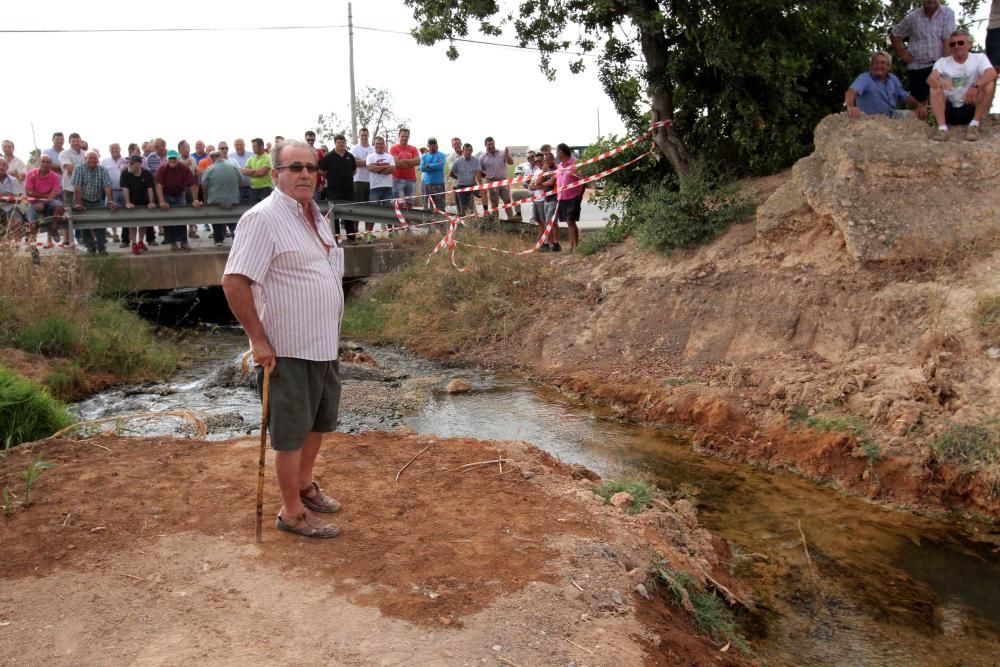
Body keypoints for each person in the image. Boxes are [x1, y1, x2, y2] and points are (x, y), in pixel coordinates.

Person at [222, 139, 345, 539]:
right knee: (290, 434)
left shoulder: (314, 214)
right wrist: (258, 340)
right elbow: (235, 280)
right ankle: (290, 512)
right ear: (275, 174)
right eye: (294, 167)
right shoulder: (263, 218)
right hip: (287, 347)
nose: (305, 173)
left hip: (323, 343)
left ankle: (305, 486)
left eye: (310, 167)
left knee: (317, 423)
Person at [928, 29, 997, 141]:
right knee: (934, 88)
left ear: (970, 44)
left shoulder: (979, 58)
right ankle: (942, 129)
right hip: (949, 109)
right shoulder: (942, 62)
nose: (956, 46)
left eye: (960, 43)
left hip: (970, 106)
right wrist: (940, 83)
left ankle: (974, 125)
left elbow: (992, 73)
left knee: (988, 84)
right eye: (952, 44)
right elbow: (930, 79)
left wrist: (975, 86)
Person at [890, 0, 956, 108]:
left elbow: (947, 40)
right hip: (917, 66)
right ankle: (920, 125)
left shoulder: (947, 13)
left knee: (946, 98)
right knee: (919, 105)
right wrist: (902, 52)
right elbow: (894, 34)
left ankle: (947, 123)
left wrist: (946, 65)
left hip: (938, 65)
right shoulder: (912, 17)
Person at [845, 52, 926, 120]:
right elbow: (851, 91)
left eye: (883, 63)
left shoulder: (893, 79)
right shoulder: (864, 78)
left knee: (918, 114)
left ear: (889, 67)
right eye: (875, 62)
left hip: (892, 116)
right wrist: (851, 107)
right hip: (871, 119)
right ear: (870, 66)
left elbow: (905, 96)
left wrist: (919, 105)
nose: (878, 66)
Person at [72, 150, 117, 255]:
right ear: (85, 159)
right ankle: (90, 247)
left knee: (101, 223)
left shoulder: (102, 170)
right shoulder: (79, 169)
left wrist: (110, 201)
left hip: (97, 200)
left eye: (95, 158)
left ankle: (101, 247)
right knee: (84, 224)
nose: (92, 160)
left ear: (98, 160)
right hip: (82, 198)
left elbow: (107, 187)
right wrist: (80, 204)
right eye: (90, 158)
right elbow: (77, 188)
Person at [155, 149, 201, 251]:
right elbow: (158, 186)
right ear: (167, 159)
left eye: (174, 158)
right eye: (170, 158)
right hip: (166, 194)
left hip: (179, 193)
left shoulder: (183, 168)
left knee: (182, 217)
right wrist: (162, 201)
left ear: (178, 159)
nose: (172, 160)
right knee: (168, 218)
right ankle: (172, 242)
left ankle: (183, 242)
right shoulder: (162, 168)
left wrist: (195, 200)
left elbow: (193, 184)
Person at [319, 134, 357, 241]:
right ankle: (335, 238)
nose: (341, 144)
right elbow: (321, 170)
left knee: (349, 213)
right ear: (335, 143)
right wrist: (329, 177)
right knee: (334, 214)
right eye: (339, 142)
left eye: (343, 142)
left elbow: (354, 171)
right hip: (333, 190)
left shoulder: (350, 156)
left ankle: (351, 237)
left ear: (345, 143)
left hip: (348, 190)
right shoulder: (329, 156)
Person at [201, 150, 243, 246]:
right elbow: (241, 182)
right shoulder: (234, 167)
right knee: (233, 221)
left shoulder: (209, 169)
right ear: (222, 157)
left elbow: (203, 186)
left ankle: (218, 240)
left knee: (216, 220)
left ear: (212, 159)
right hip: (233, 199)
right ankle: (236, 239)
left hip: (215, 200)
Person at [25, 155, 66, 247]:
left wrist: (44, 200)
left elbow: (55, 192)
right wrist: (45, 197)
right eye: (43, 161)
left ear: (51, 164)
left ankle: (53, 227)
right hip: (33, 203)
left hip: (49, 202)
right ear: (39, 162)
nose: (45, 164)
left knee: (60, 206)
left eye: (48, 162)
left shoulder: (54, 176)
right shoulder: (31, 174)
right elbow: (29, 192)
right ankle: (32, 247)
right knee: (31, 223)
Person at [120, 154, 156, 254]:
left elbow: (150, 189)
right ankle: (134, 243)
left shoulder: (147, 173)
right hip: (131, 200)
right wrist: (127, 203)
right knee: (132, 224)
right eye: (128, 163)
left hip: (143, 201)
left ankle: (141, 241)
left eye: (131, 163)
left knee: (143, 223)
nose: (129, 165)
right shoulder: (125, 173)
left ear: (139, 164)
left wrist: (151, 202)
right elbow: (125, 189)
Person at [479, 136, 519, 222]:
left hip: (504, 181)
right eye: (488, 144)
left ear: (494, 143)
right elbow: (479, 171)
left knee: (507, 201)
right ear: (485, 145)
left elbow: (511, 162)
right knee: (494, 202)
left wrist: (507, 155)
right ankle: (495, 222)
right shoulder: (482, 157)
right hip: (492, 183)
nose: (490, 146)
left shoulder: (502, 153)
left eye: (492, 144)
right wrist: (487, 178)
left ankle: (510, 219)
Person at [555, 143, 583, 252]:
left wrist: (579, 196)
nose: (556, 154)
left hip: (573, 197)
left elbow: (582, 181)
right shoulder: (560, 165)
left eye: (557, 152)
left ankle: (574, 246)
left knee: (571, 221)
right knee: (568, 222)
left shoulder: (575, 163)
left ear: (561, 152)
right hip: (562, 198)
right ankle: (572, 245)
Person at [350, 127, 374, 241]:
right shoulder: (354, 148)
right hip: (358, 181)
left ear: (368, 136)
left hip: (371, 182)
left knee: (369, 209)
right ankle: (354, 232)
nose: (364, 137)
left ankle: (368, 233)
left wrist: (363, 161)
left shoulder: (373, 148)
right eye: (362, 135)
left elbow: (374, 163)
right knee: (357, 207)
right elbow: (355, 163)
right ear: (359, 136)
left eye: (366, 135)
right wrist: (368, 162)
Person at [448, 143, 485, 217]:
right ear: (463, 151)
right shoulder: (457, 162)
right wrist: (459, 178)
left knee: (472, 205)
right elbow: (451, 174)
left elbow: (478, 173)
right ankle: (464, 221)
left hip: (472, 186)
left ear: (472, 151)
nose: (468, 152)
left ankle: (477, 218)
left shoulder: (475, 160)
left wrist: (481, 187)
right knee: (464, 207)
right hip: (461, 187)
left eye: (470, 150)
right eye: (466, 150)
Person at [534, 150, 560, 251]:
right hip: (546, 198)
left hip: (554, 197)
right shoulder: (545, 170)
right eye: (544, 160)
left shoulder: (556, 168)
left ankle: (547, 243)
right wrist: (544, 173)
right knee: (551, 222)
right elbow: (536, 183)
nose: (545, 162)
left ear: (552, 160)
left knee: (549, 221)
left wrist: (542, 184)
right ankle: (555, 243)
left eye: (547, 160)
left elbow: (551, 182)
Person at [389, 128, 420, 207]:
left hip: (411, 179)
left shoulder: (413, 148)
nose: (404, 138)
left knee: (410, 203)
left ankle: (408, 219)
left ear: (408, 137)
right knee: (398, 203)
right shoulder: (394, 148)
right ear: (399, 136)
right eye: (402, 136)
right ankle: (397, 219)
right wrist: (411, 162)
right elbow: (397, 163)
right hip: (397, 179)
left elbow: (418, 161)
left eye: (406, 136)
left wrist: (404, 160)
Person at [366, 136, 395, 209]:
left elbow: (392, 169)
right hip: (374, 187)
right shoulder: (370, 156)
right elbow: (370, 168)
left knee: (389, 211)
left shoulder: (390, 157)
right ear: (374, 145)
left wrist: (377, 168)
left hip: (388, 187)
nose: (379, 145)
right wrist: (385, 166)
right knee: (373, 211)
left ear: (384, 145)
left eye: (381, 144)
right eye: (377, 143)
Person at [58, 132, 85, 207]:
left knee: (82, 209)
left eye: (78, 141)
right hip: (69, 187)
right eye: (73, 141)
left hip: (83, 188)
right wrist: (85, 171)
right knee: (69, 210)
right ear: (69, 142)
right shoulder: (64, 153)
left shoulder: (85, 154)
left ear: (81, 142)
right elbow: (70, 169)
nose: (76, 143)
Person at [419, 137, 446, 212]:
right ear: (428, 145)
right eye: (430, 144)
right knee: (426, 206)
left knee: (440, 206)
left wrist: (429, 165)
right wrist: (434, 166)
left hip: (439, 184)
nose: (432, 145)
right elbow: (422, 168)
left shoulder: (441, 155)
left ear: (436, 144)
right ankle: (428, 222)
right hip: (426, 184)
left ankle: (441, 222)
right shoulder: (424, 156)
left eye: (434, 143)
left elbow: (441, 166)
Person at [243, 138, 273, 203]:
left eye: (254, 146)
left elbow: (261, 173)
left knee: (265, 212)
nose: (253, 148)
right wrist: (255, 171)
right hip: (253, 189)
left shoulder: (268, 158)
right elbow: (244, 171)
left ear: (261, 147)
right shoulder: (250, 159)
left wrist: (251, 172)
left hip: (265, 189)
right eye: (252, 146)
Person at [231, 137, 252, 203]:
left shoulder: (252, 155)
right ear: (234, 146)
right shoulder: (230, 156)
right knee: (238, 208)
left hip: (251, 187)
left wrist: (239, 170)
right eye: (237, 145)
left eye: (241, 144)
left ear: (244, 145)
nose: (239, 147)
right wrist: (245, 170)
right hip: (237, 188)